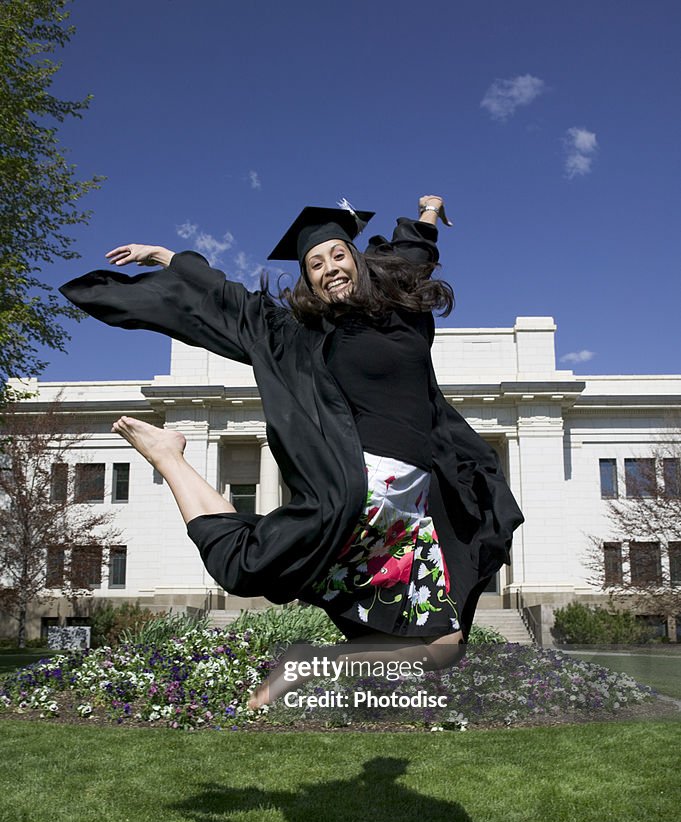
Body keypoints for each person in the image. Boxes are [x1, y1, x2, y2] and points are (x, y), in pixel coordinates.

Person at [60, 195, 524, 709]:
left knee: (443, 645)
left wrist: (431, 209)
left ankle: (308, 663)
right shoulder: (302, 336)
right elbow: (232, 301)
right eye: (315, 264)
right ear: (310, 280)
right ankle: (169, 457)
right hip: (357, 491)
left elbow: (416, 246)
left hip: (413, 512)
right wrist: (172, 258)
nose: (329, 269)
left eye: (337, 255)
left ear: (357, 257)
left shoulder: (403, 300)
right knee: (246, 568)